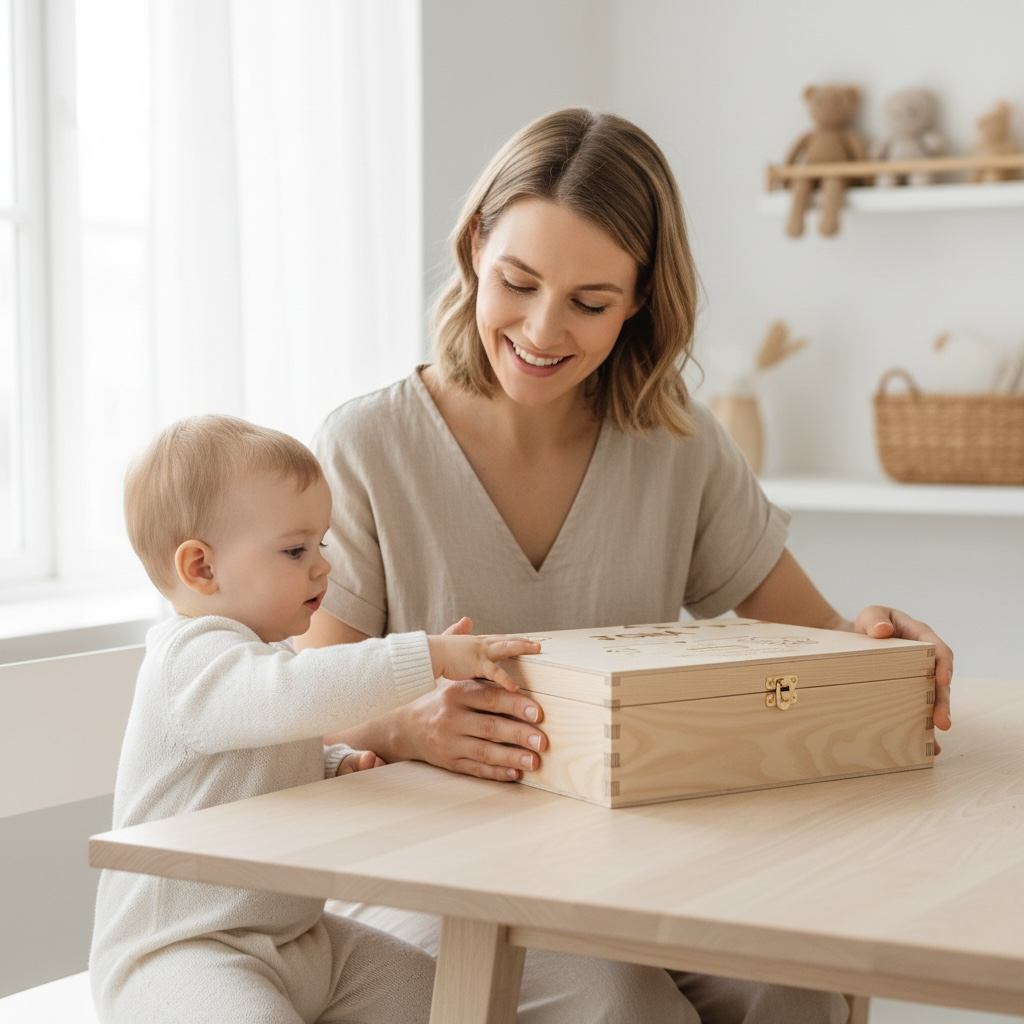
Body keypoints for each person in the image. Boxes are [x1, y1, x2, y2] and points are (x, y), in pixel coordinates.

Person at [298, 108, 954, 1024]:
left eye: (590, 302)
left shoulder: (676, 443)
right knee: (620, 1005)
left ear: (642, 296)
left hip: (644, 861)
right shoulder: (367, 446)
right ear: (476, 246)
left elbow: (818, 641)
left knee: (793, 984)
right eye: (517, 282)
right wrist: (406, 724)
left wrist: (880, 643)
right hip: (428, 869)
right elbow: (305, 694)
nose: (540, 328)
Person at [89, 413, 540, 1024]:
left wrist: (331, 766)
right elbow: (296, 694)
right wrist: (428, 655)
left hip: (299, 937)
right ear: (201, 568)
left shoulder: (257, 658)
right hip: (184, 951)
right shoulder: (190, 661)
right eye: (296, 549)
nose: (323, 566)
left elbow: (253, 770)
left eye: (322, 544)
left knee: (449, 1001)